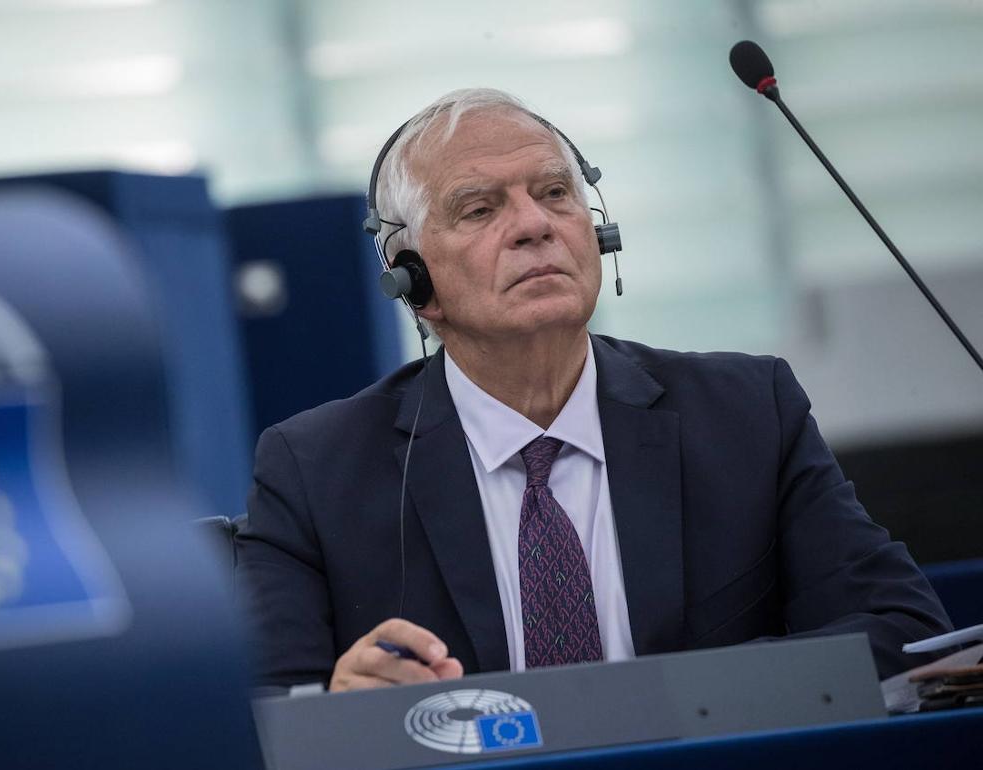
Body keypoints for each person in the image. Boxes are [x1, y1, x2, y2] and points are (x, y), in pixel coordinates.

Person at [235, 88, 952, 693]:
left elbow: (907, 635)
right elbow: (262, 713)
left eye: (554, 194)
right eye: (480, 210)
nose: (535, 225)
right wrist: (338, 709)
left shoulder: (746, 412)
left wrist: (667, 704)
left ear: (597, 231)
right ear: (411, 279)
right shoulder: (314, 471)